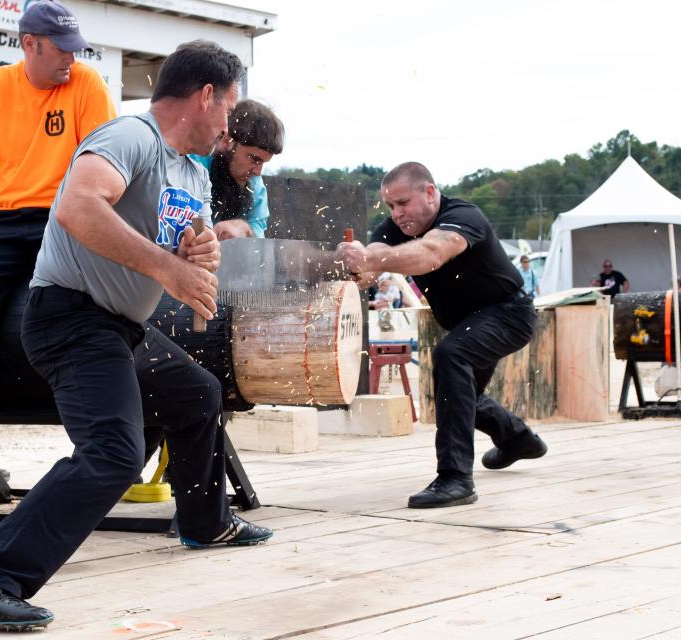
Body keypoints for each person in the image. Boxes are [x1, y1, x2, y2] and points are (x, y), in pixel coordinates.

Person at [0, 39, 272, 631]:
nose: (228, 124)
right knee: (113, 452)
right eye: (228, 108)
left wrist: (199, 250)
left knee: (197, 395)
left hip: (122, 327)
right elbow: (78, 207)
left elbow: (180, 242)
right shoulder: (129, 138)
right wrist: (169, 269)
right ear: (206, 95)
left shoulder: (191, 170)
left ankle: (204, 521)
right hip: (69, 318)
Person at [0, 0, 117, 478]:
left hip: (67, 215)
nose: (71, 59)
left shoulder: (87, 84)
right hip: (5, 222)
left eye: (76, 49)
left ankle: (106, 448)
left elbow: (105, 169)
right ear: (28, 44)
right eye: (62, 49)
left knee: (85, 306)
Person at [334, 162, 547, 509]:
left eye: (403, 203)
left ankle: (455, 478)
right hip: (468, 322)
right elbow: (370, 274)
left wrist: (373, 257)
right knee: (461, 393)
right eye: (390, 206)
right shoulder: (392, 229)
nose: (397, 213)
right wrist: (356, 265)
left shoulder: (463, 216)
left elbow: (431, 253)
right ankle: (518, 440)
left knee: (452, 357)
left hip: (509, 313)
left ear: (430, 193)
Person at [191, 99, 284, 239]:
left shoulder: (255, 186)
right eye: (254, 159)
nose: (257, 172)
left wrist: (245, 228)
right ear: (226, 141)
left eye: (264, 162)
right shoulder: (192, 165)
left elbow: (257, 238)